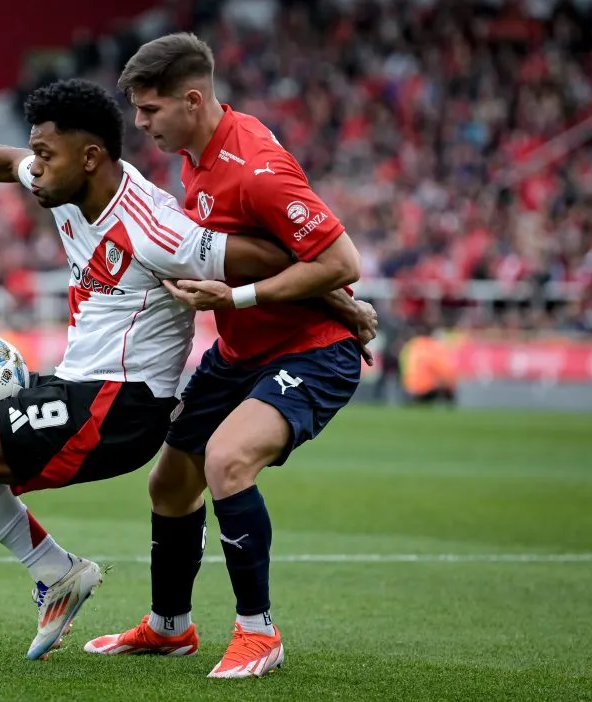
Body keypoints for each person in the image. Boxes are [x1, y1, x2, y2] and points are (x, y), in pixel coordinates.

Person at [0, 78, 373, 669]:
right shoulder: (59, 183)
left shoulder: (156, 228)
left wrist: (340, 302)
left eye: (47, 157)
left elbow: (275, 255)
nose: (34, 169)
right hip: (77, 384)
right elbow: (3, 161)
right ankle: (56, 573)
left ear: (89, 159)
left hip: (122, 405)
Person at [83, 33, 368, 679]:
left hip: (312, 352)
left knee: (228, 460)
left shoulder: (257, 168)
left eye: (151, 110)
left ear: (192, 99)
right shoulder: (197, 158)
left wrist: (239, 296)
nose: (140, 122)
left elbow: (342, 261)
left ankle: (258, 633)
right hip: (243, 353)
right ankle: (169, 629)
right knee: (170, 482)